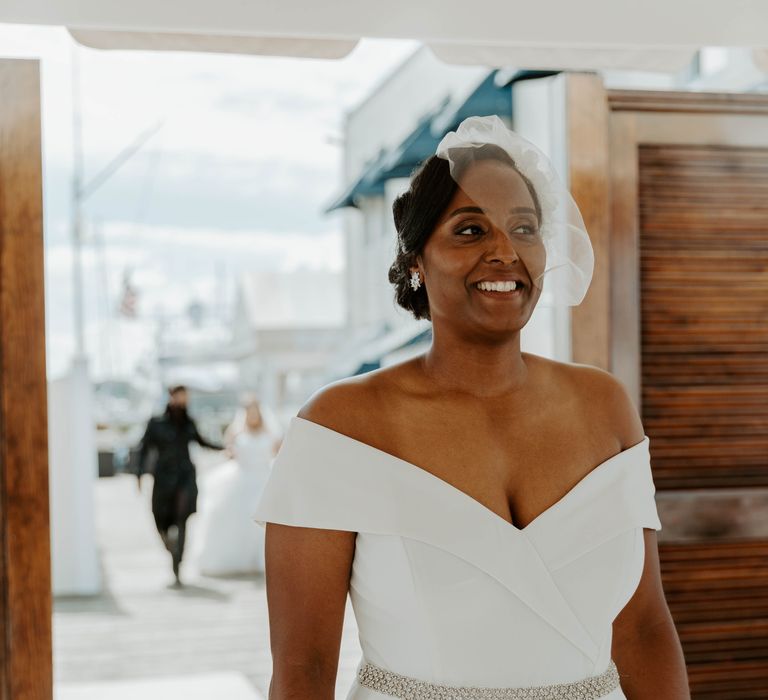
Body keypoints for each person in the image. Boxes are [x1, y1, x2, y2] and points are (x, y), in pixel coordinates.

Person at [253, 116, 690, 699]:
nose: (504, 252)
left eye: (524, 228)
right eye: (469, 230)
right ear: (415, 259)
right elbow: (304, 667)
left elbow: (643, 628)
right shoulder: (340, 427)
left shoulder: (604, 407)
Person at [137, 384, 225, 587]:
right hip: (163, 479)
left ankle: (178, 566)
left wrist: (224, 448)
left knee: (182, 518)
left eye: (186, 397)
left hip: (185, 477)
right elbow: (143, 449)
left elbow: (203, 442)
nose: (183, 401)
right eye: (180, 397)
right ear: (171, 397)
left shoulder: (188, 423)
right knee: (160, 520)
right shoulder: (156, 423)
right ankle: (170, 547)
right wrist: (139, 475)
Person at [191, 395, 280, 576]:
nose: (252, 415)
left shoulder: (271, 432)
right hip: (242, 478)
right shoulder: (236, 431)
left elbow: (277, 454)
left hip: (263, 479)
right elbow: (228, 450)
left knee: (264, 520)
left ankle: (263, 560)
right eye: (249, 411)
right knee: (239, 518)